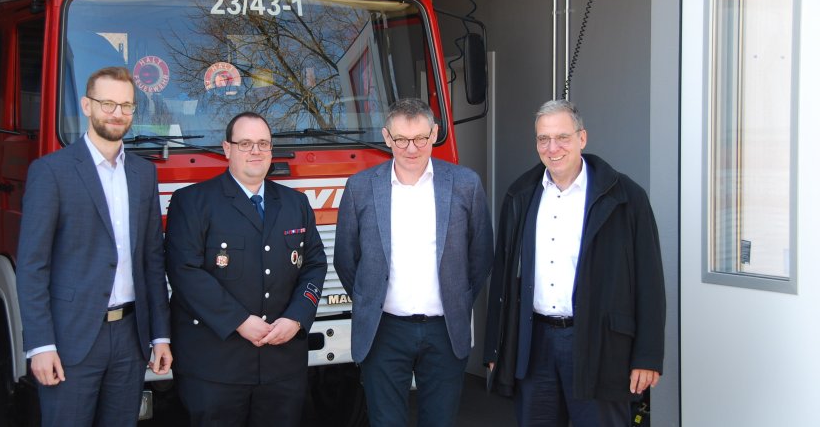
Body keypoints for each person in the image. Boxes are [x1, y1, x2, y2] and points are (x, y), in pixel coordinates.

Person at [483, 99, 666, 426]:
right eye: (543, 139)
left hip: (599, 345)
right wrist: (496, 350)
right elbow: (503, 277)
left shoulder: (624, 196)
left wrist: (648, 356)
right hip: (535, 344)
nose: (552, 148)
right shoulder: (521, 194)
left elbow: (650, 282)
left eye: (562, 137)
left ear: (582, 138)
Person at [16, 66, 172, 426]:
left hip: (131, 337)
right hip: (71, 339)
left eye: (126, 106)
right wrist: (41, 345)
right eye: (107, 104)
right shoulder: (51, 172)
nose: (117, 113)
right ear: (86, 106)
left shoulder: (143, 173)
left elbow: (152, 260)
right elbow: (32, 267)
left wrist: (160, 335)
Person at [334, 98, 494, 427]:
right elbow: (345, 259)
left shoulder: (465, 184)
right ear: (387, 137)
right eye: (402, 139)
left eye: (421, 138)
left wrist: (456, 297)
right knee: (385, 421)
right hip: (383, 330)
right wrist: (371, 298)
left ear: (434, 133)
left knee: (440, 420)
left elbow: (480, 257)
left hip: (445, 331)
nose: (412, 148)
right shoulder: (361, 187)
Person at [164, 112, 327, 427]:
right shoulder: (193, 202)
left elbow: (314, 265)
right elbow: (184, 271)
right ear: (227, 149)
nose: (256, 151)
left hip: (282, 365)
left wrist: (297, 317)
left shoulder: (296, 203)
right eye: (246, 143)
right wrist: (238, 320)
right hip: (215, 367)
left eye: (263, 144)